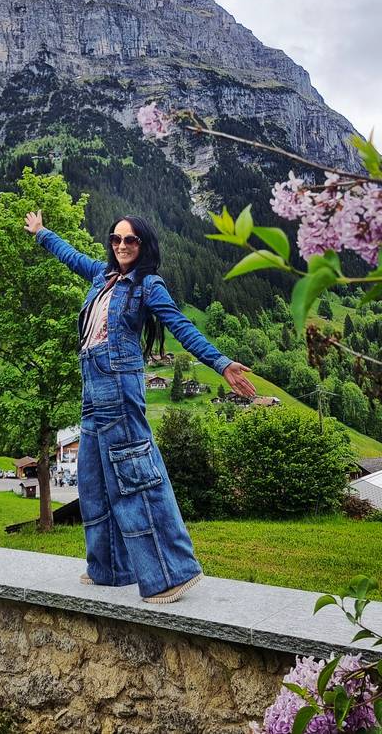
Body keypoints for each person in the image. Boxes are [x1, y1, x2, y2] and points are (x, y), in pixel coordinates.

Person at [24, 210, 255, 604]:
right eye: (116, 239)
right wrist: (42, 232)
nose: (122, 246)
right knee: (93, 477)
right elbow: (69, 254)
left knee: (135, 474)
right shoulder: (101, 275)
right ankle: (111, 568)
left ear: (143, 245)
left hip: (118, 385)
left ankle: (171, 573)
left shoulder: (148, 285)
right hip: (91, 388)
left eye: (130, 240)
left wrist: (221, 363)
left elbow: (180, 325)